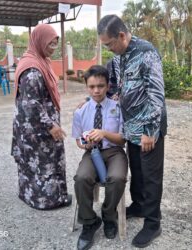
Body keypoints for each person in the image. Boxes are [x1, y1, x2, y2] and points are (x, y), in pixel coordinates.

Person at [98, 15, 167, 248]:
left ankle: (153, 222)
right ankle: (138, 205)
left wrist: (150, 129)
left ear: (121, 35)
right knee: (137, 171)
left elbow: (156, 94)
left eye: (109, 44)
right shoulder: (119, 57)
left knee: (151, 176)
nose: (109, 49)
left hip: (148, 129)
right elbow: (118, 87)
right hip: (130, 127)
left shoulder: (147, 52)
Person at [11, 24, 71, 210]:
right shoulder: (33, 69)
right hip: (37, 127)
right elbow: (32, 104)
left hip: (31, 125)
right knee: (44, 162)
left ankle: (30, 195)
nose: (52, 48)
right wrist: (50, 125)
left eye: (55, 44)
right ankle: (47, 201)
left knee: (34, 162)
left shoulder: (38, 60)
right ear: (39, 41)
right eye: (49, 44)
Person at [72, 65, 128, 250]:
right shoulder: (81, 111)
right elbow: (79, 141)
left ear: (107, 86)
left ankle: (108, 216)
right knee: (81, 178)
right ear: (87, 86)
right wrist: (85, 143)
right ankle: (89, 222)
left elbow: (122, 140)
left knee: (118, 178)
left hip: (114, 152)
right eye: (92, 86)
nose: (96, 90)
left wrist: (104, 133)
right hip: (92, 152)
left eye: (101, 86)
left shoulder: (117, 107)